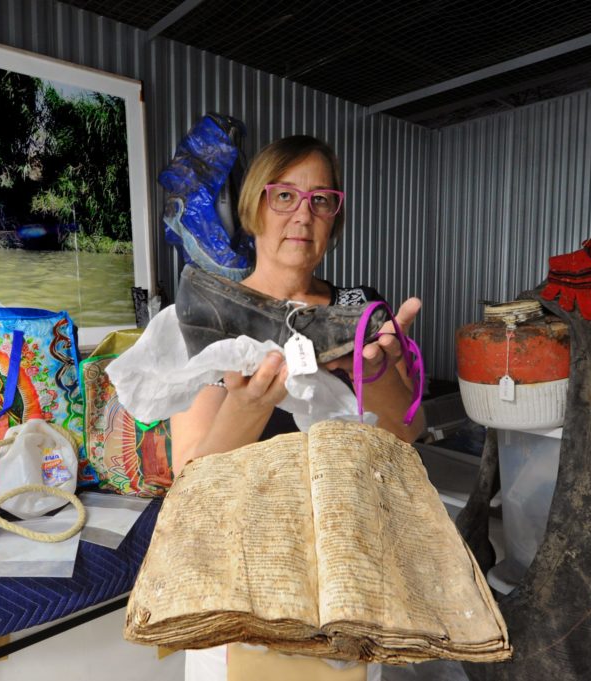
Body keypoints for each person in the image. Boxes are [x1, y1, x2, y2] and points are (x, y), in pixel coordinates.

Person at [171, 134, 426, 680]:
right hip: (239, 579)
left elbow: (409, 432)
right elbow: (188, 479)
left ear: (335, 217)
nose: (302, 214)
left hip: (347, 571)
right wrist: (247, 408)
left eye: (321, 200)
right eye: (283, 195)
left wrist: (375, 370)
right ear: (253, 209)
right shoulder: (210, 314)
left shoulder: (360, 311)